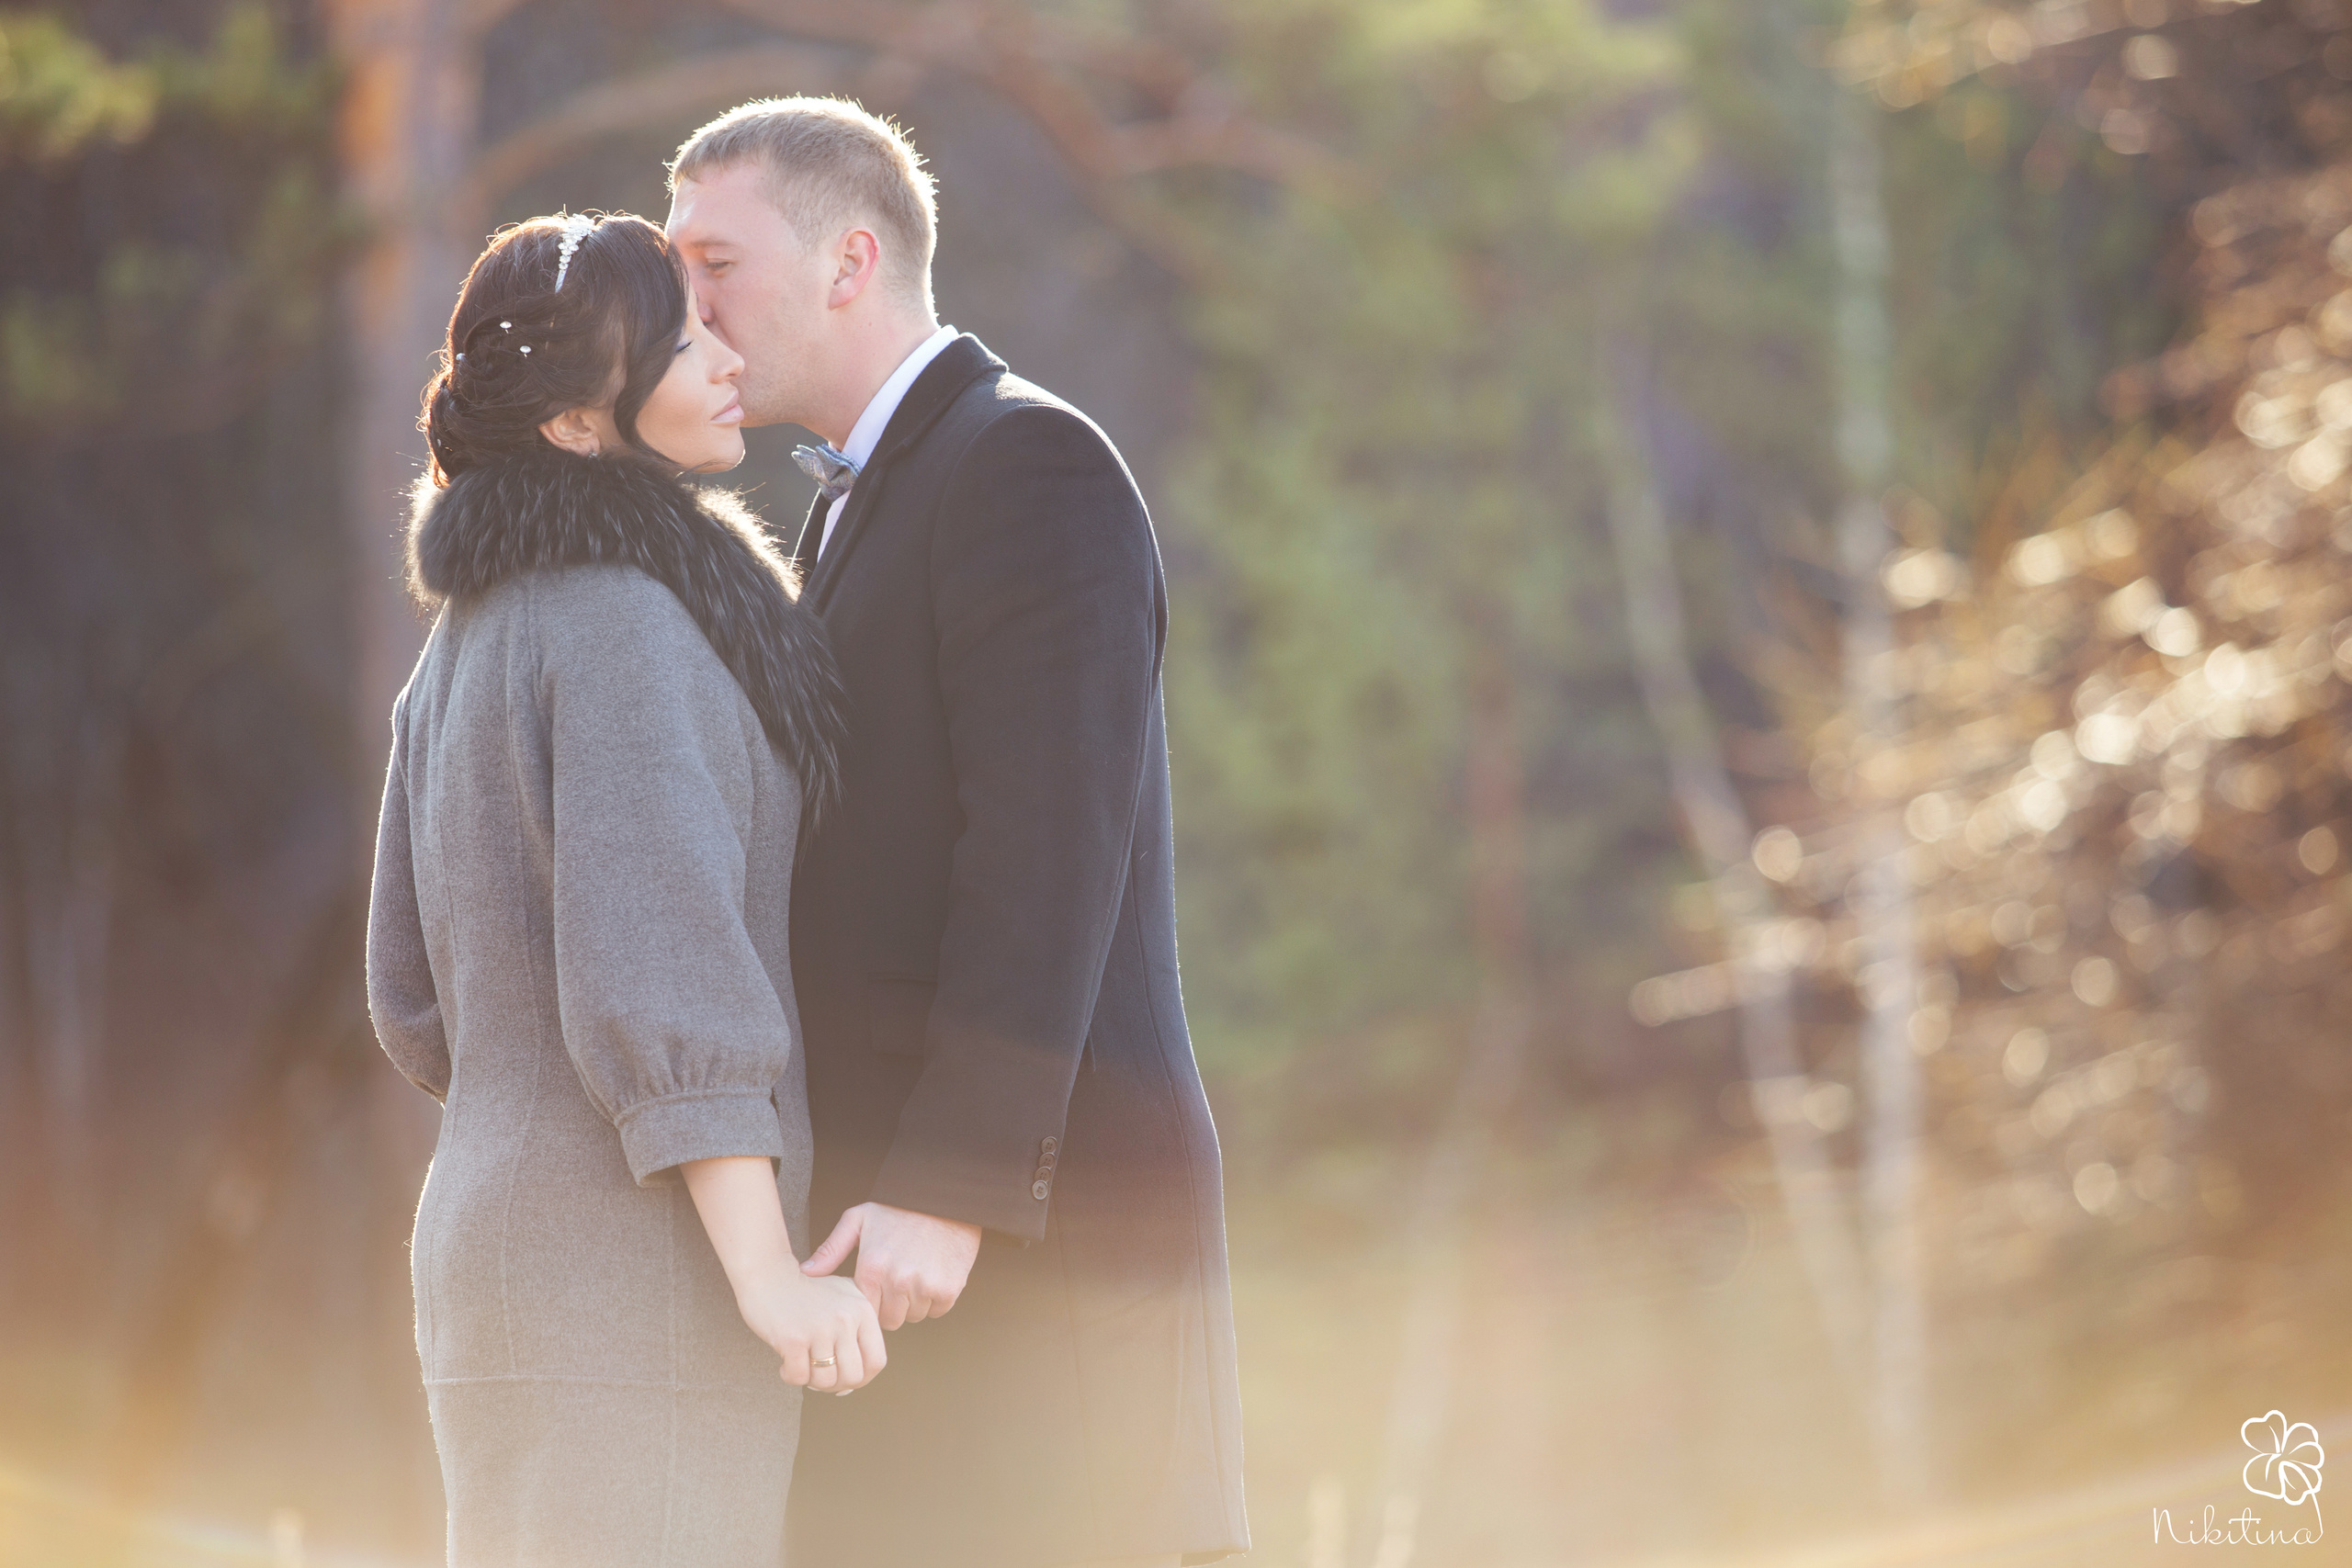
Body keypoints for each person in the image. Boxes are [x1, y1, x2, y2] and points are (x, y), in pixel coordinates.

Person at [665, 98, 1250, 1567]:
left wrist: (950, 1179)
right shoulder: (859, 507)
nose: (690, 300)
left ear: (851, 259)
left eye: (715, 259)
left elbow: (1048, 850)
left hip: (1036, 1234)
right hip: (910, 1233)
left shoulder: (1026, 465)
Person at [365, 210, 884, 1568]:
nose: (727, 360)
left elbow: (414, 1005)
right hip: (638, 1278)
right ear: (579, 428)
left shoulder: (470, 636)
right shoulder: (628, 621)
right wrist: (767, 1275)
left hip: (497, 1252)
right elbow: (660, 976)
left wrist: (533, 1086)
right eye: (681, 339)